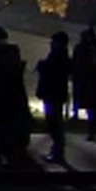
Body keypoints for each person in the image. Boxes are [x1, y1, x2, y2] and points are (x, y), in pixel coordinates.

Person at [36, 32, 72, 165]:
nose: (51, 44)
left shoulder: (58, 56)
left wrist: (42, 66)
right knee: (54, 122)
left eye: (53, 41)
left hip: (53, 94)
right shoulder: (60, 55)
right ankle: (57, 150)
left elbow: (52, 73)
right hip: (54, 94)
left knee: (54, 122)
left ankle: (58, 151)